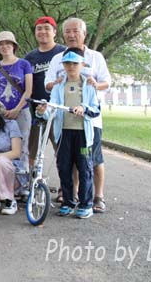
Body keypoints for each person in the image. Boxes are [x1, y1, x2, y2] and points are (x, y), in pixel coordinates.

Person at [44, 18, 111, 213]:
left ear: (84, 33)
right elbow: (48, 84)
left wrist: (94, 85)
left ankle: (95, 198)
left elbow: (107, 82)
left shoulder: (95, 57)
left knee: (92, 160)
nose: (71, 35)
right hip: (64, 123)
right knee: (66, 161)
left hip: (89, 122)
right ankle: (69, 197)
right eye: (67, 31)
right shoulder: (58, 58)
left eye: (75, 31)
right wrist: (56, 83)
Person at [36, 49, 101, 219]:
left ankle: (86, 204)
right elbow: (52, 108)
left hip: (83, 136)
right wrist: (42, 111)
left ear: (82, 65)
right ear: (63, 65)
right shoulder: (58, 85)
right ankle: (68, 202)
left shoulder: (89, 85)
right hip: (64, 133)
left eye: (74, 63)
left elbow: (95, 110)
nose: (71, 66)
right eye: (67, 63)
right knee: (64, 167)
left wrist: (84, 108)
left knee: (84, 168)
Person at [24, 16, 66, 200]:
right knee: (32, 152)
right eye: (39, 29)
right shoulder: (30, 57)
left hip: (59, 111)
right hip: (37, 112)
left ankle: (66, 189)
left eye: (47, 29)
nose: (42, 32)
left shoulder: (63, 53)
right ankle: (33, 185)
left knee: (62, 152)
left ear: (55, 32)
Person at [0, 31, 33, 184]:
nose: (5, 46)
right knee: (3, 147)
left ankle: (23, 183)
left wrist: (17, 109)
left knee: (23, 147)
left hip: (22, 111)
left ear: (14, 45)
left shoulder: (24, 64)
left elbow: (28, 90)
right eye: (1, 44)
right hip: (0, 112)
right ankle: (6, 184)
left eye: (8, 43)